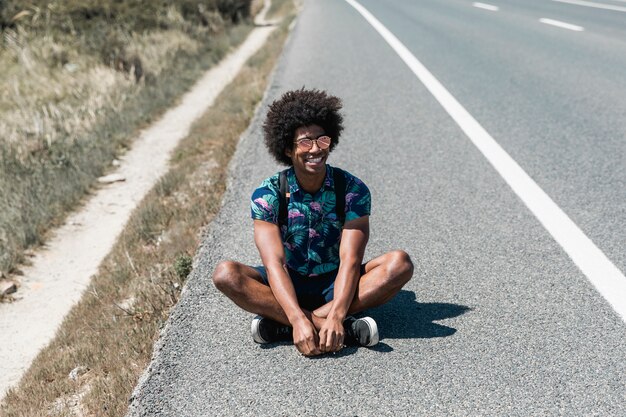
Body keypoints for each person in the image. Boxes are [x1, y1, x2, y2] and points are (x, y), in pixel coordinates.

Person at [212, 88, 413, 357]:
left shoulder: (352, 189)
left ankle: (287, 324)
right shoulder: (268, 194)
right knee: (226, 274)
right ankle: (322, 326)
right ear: (288, 148)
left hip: (336, 279)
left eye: (323, 140)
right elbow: (275, 264)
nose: (316, 149)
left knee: (399, 264)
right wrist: (298, 318)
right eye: (305, 142)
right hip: (288, 279)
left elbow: (350, 259)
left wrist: (336, 313)